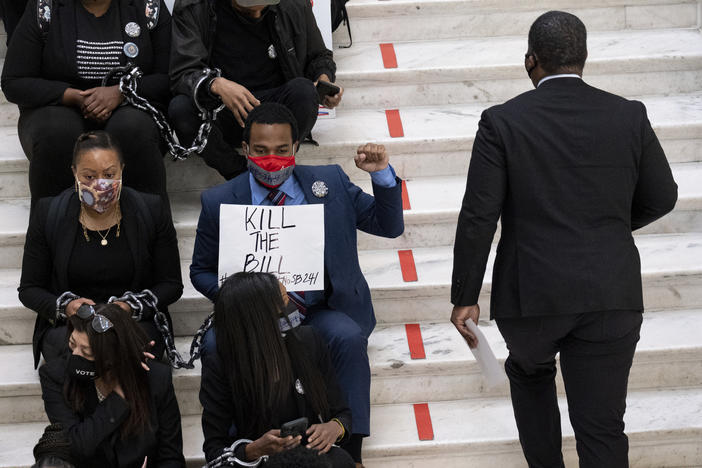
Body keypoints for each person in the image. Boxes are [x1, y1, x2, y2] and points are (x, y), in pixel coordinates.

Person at [450, 11, 678, 468]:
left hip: (531, 294)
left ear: (530, 60)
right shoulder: (627, 114)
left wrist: (465, 296)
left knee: (529, 374)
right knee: (602, 426)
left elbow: (479, 215)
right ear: (585, 58)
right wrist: (608, 226)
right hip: (611, 292)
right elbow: (664, 196)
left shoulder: (501, 121)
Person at [190, 103, 404, 466]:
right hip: (253, 316)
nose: (270, 159)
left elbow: (389, 226)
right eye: (260, 150)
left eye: (281, 150)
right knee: (214, 344)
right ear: (245, 149)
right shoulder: (219, 200)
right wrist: (247, 299)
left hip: (319, 308)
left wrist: (381, 174)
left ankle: (351, 453)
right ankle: (233, 449)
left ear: (296, 148)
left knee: (349, 337)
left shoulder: (331, 181)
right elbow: (200, 272)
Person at [19, 131, 183, 369]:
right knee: (77, 350)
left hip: (131, 322)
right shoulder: (48, 213)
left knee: (133, 346)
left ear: (122, 170)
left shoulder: (151, 210)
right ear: (74, 173)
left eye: (109, 174)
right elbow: (29, 289)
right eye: (89, 175)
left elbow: (171, 284)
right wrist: (68, 307)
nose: (100, 183)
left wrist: (128, 308)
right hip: (72, 326)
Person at [1, 0, 172, 205]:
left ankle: (144, 226)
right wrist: (69, 95)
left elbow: (170, 76)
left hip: (131, 106)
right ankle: (55, 227)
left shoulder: (149, 7)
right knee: (56, 132)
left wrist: (122, 92)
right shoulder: (44, 8)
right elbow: (14, 81)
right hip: (57, 108)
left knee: (132, 128)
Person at [168, 0, 342, 180]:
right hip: (222, 110)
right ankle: (240, 175)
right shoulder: (195, 6)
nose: (257, 15)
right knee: (180, 108)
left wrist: (324, 80)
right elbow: (182, 72)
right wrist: (216, 84)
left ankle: (280, 160)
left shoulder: (292, 3)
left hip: (275, 109)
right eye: (249, 9)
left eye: (264, 7)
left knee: (305, 91)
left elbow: (319, 56)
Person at [200, 272, 355, 467]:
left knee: (342, 462)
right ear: (259, 317)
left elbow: (342, 412)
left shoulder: (308, 340)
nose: (291, 304)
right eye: (283, 300)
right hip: (260, 463)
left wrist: (335, 427)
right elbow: (214, 449)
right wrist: (253, 450)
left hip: (307, 457)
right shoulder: (221, 365)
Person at [39, 303, 186, 467]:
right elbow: (75, 447)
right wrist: (118, 397)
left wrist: (128, 379)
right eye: (72, 343)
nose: (75, 355)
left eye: (87, 352)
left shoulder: (156, 378)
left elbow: (172, 457)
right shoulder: (55, 376)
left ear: (114, 355)